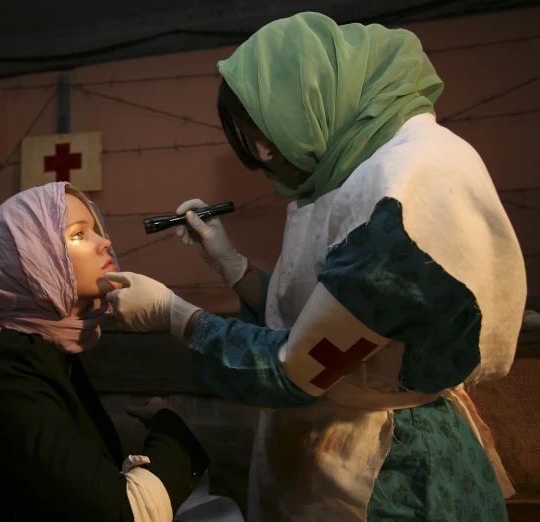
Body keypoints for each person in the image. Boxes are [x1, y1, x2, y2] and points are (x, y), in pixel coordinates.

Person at [104, 12, 526, 522]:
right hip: (338, 441)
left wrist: (173, 315)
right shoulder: (349, 168)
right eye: (248, 137)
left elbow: (299, 365)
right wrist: (231, 265)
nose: (261, 152)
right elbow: (327, 318)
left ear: (311, 96)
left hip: (392, 477)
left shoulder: (404, 190)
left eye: (265, 130)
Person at [0, 182, 242, 522]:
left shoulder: (55, 345)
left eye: (95, 230)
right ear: (35, 263)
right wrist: (169, 425)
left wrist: (233, 267)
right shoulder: (5, 366)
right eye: (78, 235)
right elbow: (123, 512)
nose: (105, 242)